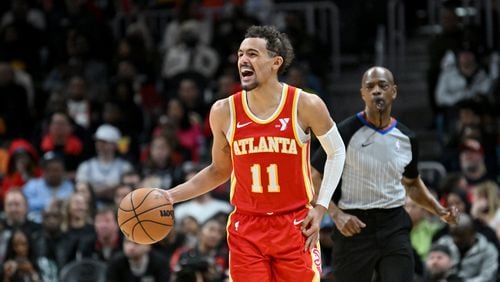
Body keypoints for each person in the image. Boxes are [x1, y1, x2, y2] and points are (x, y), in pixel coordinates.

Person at [158, 25, 346, 281]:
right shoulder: (224, 111)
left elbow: (337, 152)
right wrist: (170, 196)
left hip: (294, 224)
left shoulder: (305, 104)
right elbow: (218, 171)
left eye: (253, 54)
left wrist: (321, 207)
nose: (243, 60)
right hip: (247, 227)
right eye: (240, 54)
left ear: (275, 63)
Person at [311, 66, 458, 282]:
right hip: (353, 224)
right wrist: (335, 214)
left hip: (393, 223)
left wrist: (439, 210)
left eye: (383, 85)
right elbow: (314, 175)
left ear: (394, 92)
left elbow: (413, 184)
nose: (376, 91)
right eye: (370, 87)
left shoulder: (407, 137)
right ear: (362, 93)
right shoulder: (343, 132)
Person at [435, 213, 498, 281]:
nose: (455, 240)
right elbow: (430, 268)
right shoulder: (444, 243)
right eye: (453, 235)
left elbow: (488, 278)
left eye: (460, 236)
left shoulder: (488, 250)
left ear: (472, 234)